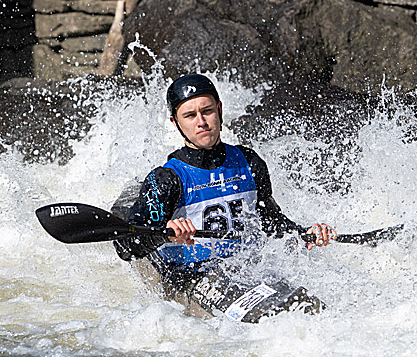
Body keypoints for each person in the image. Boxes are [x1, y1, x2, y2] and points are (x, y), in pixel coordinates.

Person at [113, 74, 338, 305]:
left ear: (219, 109)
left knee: (308, 305)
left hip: (245, 267)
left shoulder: (249, 162)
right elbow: (126, 246)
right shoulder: (166, 180)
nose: (201, 121)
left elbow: (271, 222)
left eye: (207, 110)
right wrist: (165, 231)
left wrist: (305, 233)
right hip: (191, 275)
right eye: (190, 115)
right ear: (175, 122)